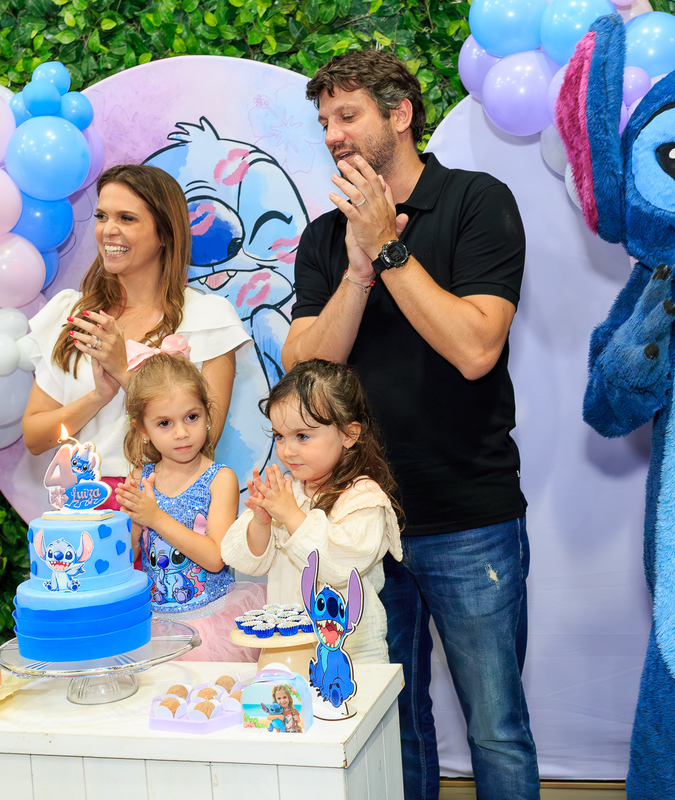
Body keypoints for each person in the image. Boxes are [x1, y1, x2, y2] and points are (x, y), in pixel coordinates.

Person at [280, 50, 536, 799]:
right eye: (325, 121)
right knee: (391, 721)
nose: (333, 133)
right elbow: (305, 369)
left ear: (400, 115)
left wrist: (389, 248)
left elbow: (475, 349)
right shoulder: (325, 239)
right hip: (358, 523)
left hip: (467, 516)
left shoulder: (476, 202)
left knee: (496, 728)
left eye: (348, 115)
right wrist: (358, 270)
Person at [22, 164, 251, 507]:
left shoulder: (207, 318)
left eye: (127, 218)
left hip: (168, 509)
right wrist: (98, 397)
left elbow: (204, 439)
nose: (108, 230)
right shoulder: (72, 314)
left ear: (165, 233)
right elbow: (36, 438)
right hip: (83, 509)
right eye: (102, 217)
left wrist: (124, 372)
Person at [221, 358, 402, 666]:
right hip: (288, 654)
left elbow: (341, 567)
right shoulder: (286, 491)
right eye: (279, 436)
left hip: (350, 660)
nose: (287, 450)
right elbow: (244, 560)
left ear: (349, 435)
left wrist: (291, 516)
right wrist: (262, 523)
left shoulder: (364, 499)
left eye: (302, 436)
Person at [115, 350, 264, 661]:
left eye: (191, 417)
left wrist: (154, 517)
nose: (182, 433)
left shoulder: (219, 479)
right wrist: (134, 523)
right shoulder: (141, 478)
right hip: (156, 626)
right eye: (164, 423)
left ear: (207, 415)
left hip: (209, 628)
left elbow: (215, 558)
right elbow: (127, 557)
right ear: (142, 429)